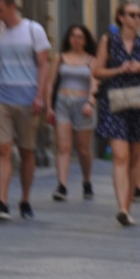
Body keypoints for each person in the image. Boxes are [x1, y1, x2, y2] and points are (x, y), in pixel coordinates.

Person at [92, 1, 140, 226]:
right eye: (132, 14)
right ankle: (122, 207)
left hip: (139, 103)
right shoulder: (108, 41)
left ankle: (127, 208)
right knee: (121, 156)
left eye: (139, 15)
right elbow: (97, 71)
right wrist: (118, 69)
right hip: (114, 102)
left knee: (135, 157)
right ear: (120, 17)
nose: (136, 19)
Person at [0, 0, 51, 220]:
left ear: (12, 7)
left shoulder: (33, 30)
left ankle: (25, 199)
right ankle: (2, 201)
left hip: (28, 98)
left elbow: (44, 65)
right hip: (1, 97)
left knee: (27, 150)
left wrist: (39, 96)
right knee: (3, 149)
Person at [46, 24, 98, 202]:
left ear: (85, 40)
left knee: (83, 150)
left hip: (83, 105)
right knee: (63, 147)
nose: (76, 40)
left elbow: (94, 84)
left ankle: (87, 180)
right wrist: (49, 106)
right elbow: (50, 84)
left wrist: (90, 102)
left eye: (80, 37)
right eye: (73, 36)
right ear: (68, 38)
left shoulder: (91, 60)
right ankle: (62, 185)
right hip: (62, 103)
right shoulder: (60, 58)